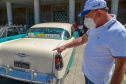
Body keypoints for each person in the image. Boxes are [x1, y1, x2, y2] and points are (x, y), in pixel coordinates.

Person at [53, 0, 126, 84]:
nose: (86, 19)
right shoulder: (95, 25)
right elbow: (83, 39)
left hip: (98, 81)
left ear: (98, 13)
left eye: (87, 16)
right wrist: (65, 46)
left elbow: (121, 66)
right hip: (86, 74)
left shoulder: (118, 32)